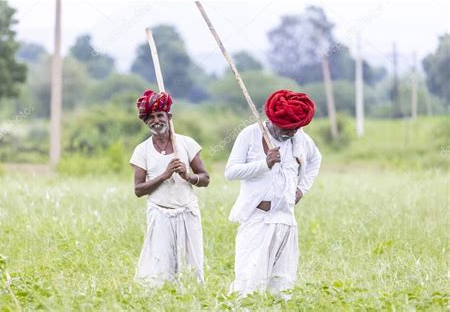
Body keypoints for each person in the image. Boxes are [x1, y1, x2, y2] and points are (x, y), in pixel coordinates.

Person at [225, 89, 322, 298]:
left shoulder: (301, 139)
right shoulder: (250, 134)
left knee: (282, 286)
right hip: (258, 221)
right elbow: (230, 172)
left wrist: (301, 189)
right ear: (271, 120)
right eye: (285, 128)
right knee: (248, 283)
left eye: (294, 129)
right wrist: (265, 164)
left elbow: (315, 160)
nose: (289, 133)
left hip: (287, 221)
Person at [130, 89, 210, 286]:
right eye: (151, 117)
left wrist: (188, 176)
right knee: (160, 265)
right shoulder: (142, 150)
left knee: (191, 264)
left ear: (169, 117)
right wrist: (164, 176)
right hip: (159, 213)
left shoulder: (186, 143)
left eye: (160, 115)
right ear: (145, 121)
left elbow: (206, 178)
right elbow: (138, 190)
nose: (156, 121)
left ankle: (191, 297)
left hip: (187, 211)